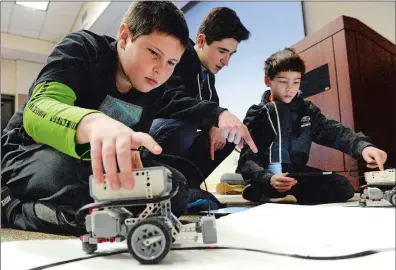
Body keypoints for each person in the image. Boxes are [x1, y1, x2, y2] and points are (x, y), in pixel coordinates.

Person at [1, 1, 257, 236]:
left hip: (97, 165)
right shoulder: (82, 48)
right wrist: (94, 124)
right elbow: (38, 109)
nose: (161, 70)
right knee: (79, 182)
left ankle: (81, 213)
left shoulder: (153, 89)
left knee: (172, 188)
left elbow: (173, 110)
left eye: (171, 62)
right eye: (154, 53)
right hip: (27, 153)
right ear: (125, 37)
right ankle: (10, 205)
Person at [237, 48, 387, 204]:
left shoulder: (307, 111)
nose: (290, 88)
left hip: (295, 175)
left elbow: (335, 132)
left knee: (343, 187)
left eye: (296, 82)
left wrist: (363, 147)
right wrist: (267, 178)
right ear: (268, 81)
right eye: (283, 81)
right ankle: (267, 190)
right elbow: (246, 161)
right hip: (266, 174)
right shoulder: (257, 114)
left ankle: (283, 196)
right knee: (256, 183)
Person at [149, 7, 251, 193]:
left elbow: (209, 108)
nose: (226, 61)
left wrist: (215, 125)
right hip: (151, 134)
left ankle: (186, 187)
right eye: (222, 51)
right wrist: (216, 115)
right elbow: (170, 99)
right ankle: (158, 187)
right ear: (201, 40)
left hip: (174, 139)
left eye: (231, 54)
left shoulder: (208, 76)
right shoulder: (178, 56)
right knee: (183, 128)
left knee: (227, 135)